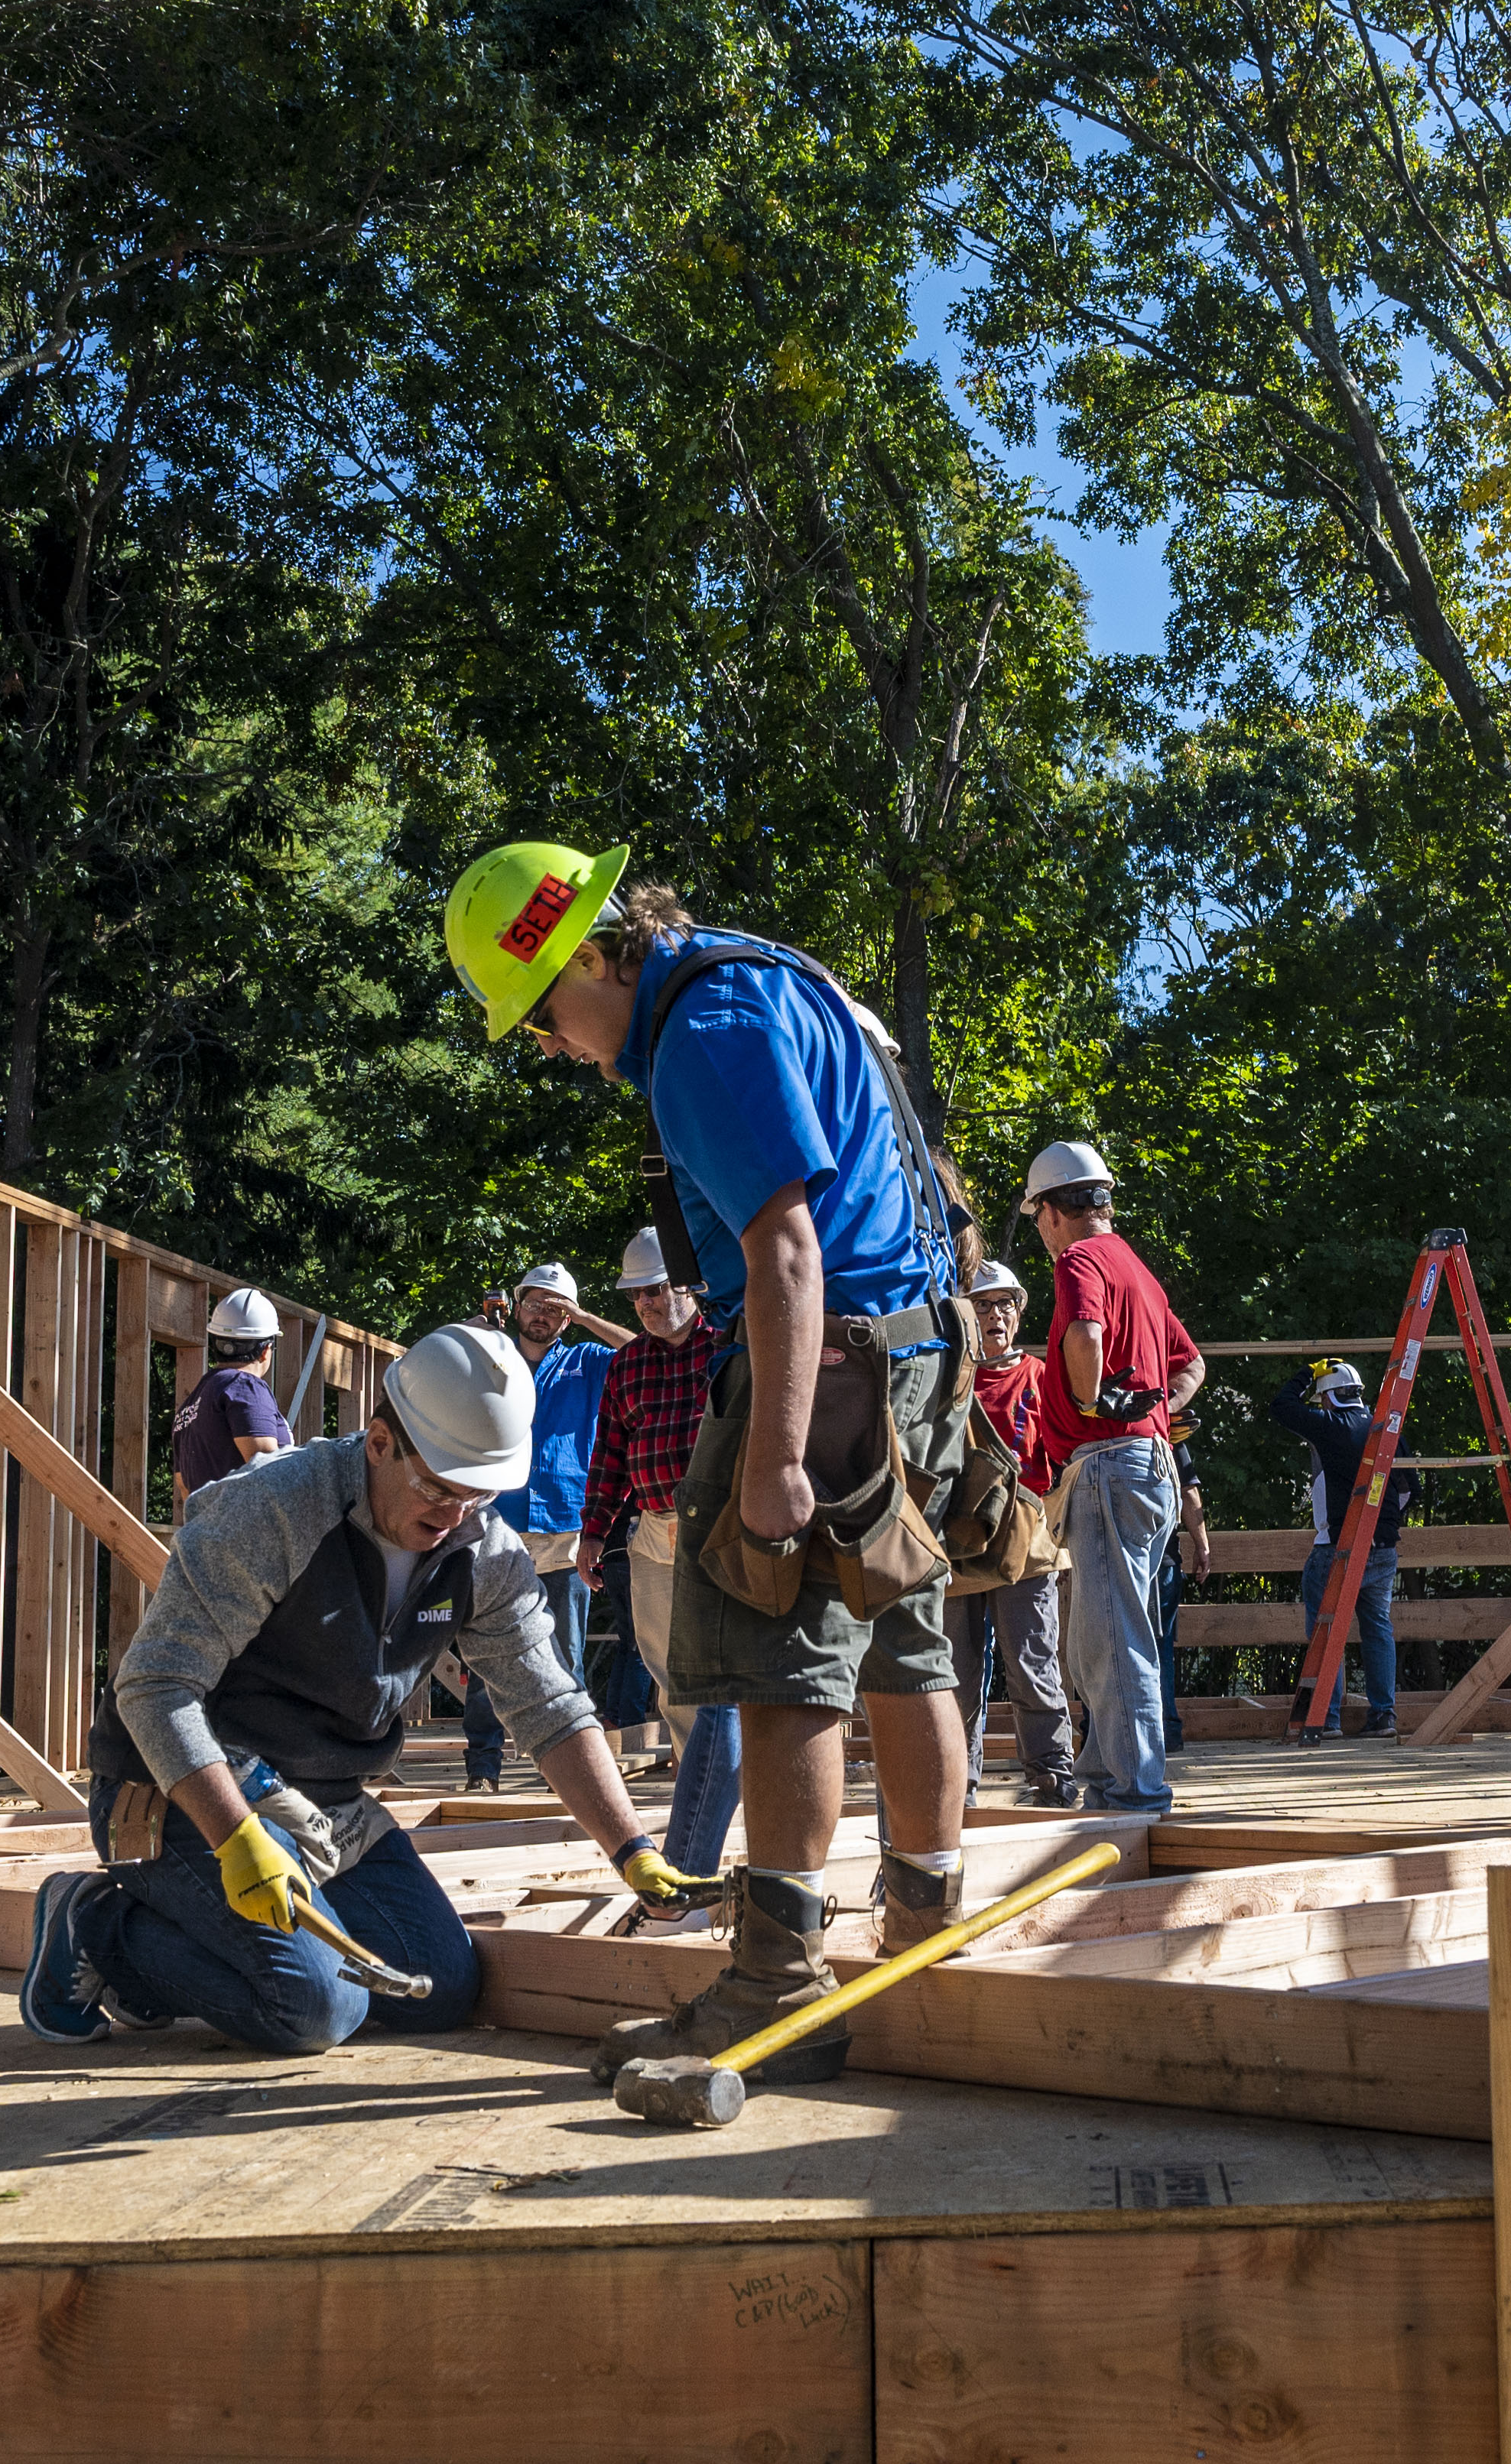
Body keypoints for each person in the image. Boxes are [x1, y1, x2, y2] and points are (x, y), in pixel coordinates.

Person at [447, 839, 983, 2086]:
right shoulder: (774, 974)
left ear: (586, 951)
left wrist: (775, 1452)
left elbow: (785, 1249)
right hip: (909, 1345)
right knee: (904, 1644)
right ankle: (923, 1921)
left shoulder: (701, 1026)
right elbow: (926, 1179)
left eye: (540, 1013)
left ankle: (776, 1976)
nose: (546, 1045)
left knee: (778, 1660)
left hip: (828, 1360)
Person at [23, 1327, 707, 2051]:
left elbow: (549, 1708)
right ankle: (95, 1921)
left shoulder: (484, 1552)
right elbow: (156, 1687)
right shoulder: (274, 1510)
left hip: (324, 1801)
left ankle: (188, 1944)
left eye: (477, 1495)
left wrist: (630, 1849)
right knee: (316, 2006)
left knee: (437, 1986)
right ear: (380, 1442)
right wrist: (237, 1838)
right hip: (177, 1791)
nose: (454, 1516)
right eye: (439, 1488)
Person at [1017, 1139, 1202, 1816]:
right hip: (1146, 1466)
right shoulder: (1138, 1269)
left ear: (1051, 1210)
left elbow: (1086, 1333)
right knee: (1105, 1635)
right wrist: (1157, 1405)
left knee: (1114, 1639)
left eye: (1036, 1215)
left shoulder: (1080, 1258)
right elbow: (1191, 1365)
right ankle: (1107, 1778)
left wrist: (1096, 1399)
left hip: (1105, 1465)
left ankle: (1134, 1793)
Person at [583, 1226, 743, 1887]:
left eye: (654, 1290)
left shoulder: (729, 1347)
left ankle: (713, 1807)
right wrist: (594, 1531)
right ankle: (700, 1793)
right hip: (651, 1528)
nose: (645, 1304)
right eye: (636, 1295)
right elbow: (610, 1456)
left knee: (721, 1683)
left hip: (720, 1528)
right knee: (670, 1673)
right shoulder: (628, 1365)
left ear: (686, 1286)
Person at [463, 1261, 615, 1792]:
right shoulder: (494, 1354)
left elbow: (647, 1351)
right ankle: (483, 1767)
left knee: (563, 1654)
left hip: (566, 1526)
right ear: (518, 1303)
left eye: (556, 1309)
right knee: (488, 1650)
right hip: (498, 1523)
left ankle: (565, 1777)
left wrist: (587, 1316)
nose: (543, 1315)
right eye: (535, 1303)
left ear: (567, 1317)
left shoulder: (586, 1360)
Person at [952, 1257, 1078, 1806]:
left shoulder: (1041, 1376)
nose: (996, 1314)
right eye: (982, 1304)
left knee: (1031, 1661)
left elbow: (1068, 1452)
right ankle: (955, 1785)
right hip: (957, 1540)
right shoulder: (948, 1379)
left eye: (1006, 1304)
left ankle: (1051, 1776)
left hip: (1026, 1536)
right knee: (954, 1673)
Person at [1286, 1360, 1409, 1740]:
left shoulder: (1330, 1427)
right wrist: (1380, 1527)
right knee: (1377, 1629)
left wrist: (1306, 1373)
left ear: (1327, 1398)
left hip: (1335, 1546)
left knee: (1326, 1632)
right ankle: (1383, 1716)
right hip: (1383, 1547)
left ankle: (1328, 1718)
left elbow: (1283, 1407)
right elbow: (1407, 1490)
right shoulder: (1385, 1429)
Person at [171, 1287, 295, 1510]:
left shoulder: (190, 1406)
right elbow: (267, 1466)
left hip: (206, 1538)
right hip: (250, 1538)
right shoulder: (245, 1387)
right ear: (266, 1350)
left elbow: (185, 1489)